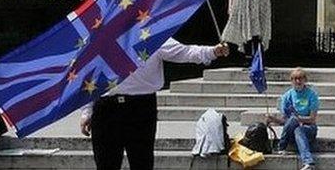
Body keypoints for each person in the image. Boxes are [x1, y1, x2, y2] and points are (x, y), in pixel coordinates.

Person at [80, 38, 229, 170]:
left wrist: (212, 51)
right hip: (106, 109)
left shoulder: (151, 34)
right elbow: (87, 76)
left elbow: (184, 52)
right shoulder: (100, 37)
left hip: (140, 107)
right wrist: (86, 111)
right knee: (106, 164)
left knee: (142, 162)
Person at [265, 67, 320, 170]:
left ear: (305, 80)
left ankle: (283, 147)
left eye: (300, 78)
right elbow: (284, 121)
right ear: (291, 81)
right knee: (293, 122)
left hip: (309, 129)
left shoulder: (312, 95)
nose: (298, 81)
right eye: (295, 79)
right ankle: (308, 163)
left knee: (298, 129)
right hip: (290, 131)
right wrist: (273, 119)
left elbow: (312, 119)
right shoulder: (287, 96)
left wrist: (299, 119)